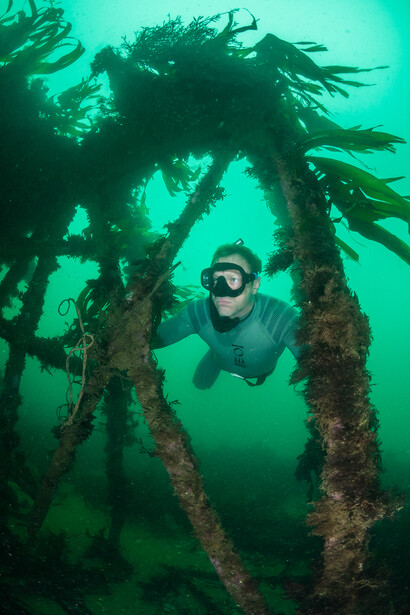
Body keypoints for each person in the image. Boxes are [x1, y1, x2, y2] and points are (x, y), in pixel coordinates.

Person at [155, 240, 300, 388]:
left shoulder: (280, 318)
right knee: (200, 385)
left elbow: (318, 363)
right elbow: (150, 339)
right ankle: (216, 351)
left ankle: (217, 349)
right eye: (216, 279)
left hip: (262, 373)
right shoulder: (199, 313)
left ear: (255, 284)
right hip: (220, 360)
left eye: (233, 279)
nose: (221, 290)